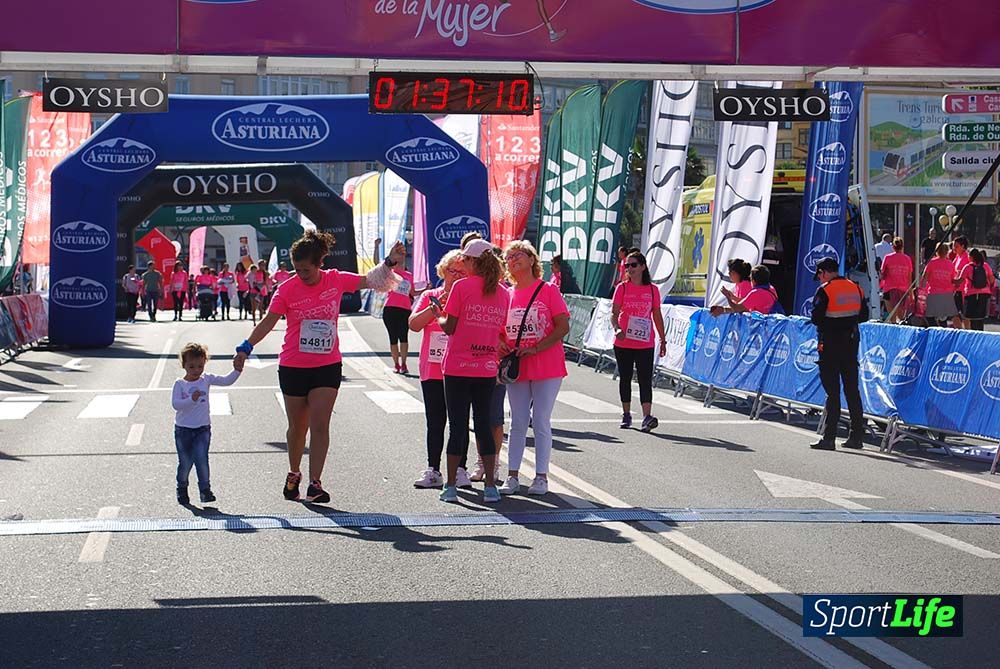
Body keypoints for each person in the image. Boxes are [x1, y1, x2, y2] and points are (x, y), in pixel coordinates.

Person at [233, 230, 404, 504]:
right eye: (298, 270)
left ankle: (315, 483)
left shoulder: (334, 279)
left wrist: (390, 262)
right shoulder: (287, 288)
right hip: (293, 365)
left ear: (319, 263)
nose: (302, 275)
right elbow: (268, 321)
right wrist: (246, 346)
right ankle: (293, 473)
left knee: (320, 423)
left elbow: (370, 280)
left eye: (307, 270)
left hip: (326, 364)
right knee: (297, 427)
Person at [437, 238, 509, 504]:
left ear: (473, 261)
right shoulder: (502, 292)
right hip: (487, 367)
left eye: (465, 259)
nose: (462, 263)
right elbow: (501, 329)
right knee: (483, 424)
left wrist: (438, 313)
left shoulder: (461, 287)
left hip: (457, 366)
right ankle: (490, 486)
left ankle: (451, 486)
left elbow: (449, 327)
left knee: (457, 425)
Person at [498, 241, 570, 496]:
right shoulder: (506, 295)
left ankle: (541, 477)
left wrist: (537, 348)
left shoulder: (548, 290)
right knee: (517, 421)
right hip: (517, 366)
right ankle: (512, 475)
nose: (512, 260)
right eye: (508, 258)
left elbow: (563, 327)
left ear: (531, 260)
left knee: (540, 420)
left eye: (517, 255)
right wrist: (502, 346)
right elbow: (498, 330)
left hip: (547, 364)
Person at [408, 250, 467, 489]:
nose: (456, 275)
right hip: (432, 368)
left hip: (460, 367)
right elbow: (413, 325)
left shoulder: (469, 297)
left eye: (462, 272)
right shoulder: (431, 295)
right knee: (435, 420)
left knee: (459, 421)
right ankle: (433, 469)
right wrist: (434, 309)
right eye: (452, 270)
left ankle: (461, 468)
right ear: (443, 271)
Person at [171, 342, 241, 504]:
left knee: (202, 459)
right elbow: (176, 405)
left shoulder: (206, 379)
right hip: (183, 430)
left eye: (200, 366)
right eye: (192, 367)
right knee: (186, 462)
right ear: (184, 365)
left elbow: (226, 380)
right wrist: (191, 399)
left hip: (202, 429)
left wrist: (237, 370)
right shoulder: (180, 384)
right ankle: (182, 488)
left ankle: (205, 490)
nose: (196, 370)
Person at [809, 257, 868, 451]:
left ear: (823, 272)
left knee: (832, 393)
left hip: (830, 344)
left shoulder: (825, 290)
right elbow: (864, 315)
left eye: (819, 275)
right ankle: (857, 437)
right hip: (850, 343)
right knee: (852, 391)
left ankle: (829, 438)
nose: (819, 279)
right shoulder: (856, 287)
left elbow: (816, 318)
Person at [612, 250, 667, 432]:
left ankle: (646, 416)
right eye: (627, 265)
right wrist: (617, 328)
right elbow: (613, 314)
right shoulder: (622, 288)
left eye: (633, 265)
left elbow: (657, 315)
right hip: (624, 341)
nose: (629, 268)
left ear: (643, 267)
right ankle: (626, 414)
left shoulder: (652, 290)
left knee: (645, 379)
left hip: (645, 343)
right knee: (625, 378)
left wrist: (663, 339)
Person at [376, 238, 416, 374]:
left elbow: (413, 292)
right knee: (393, 338)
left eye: (404, 258)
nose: (401, 260)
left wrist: (425, 289)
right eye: (399, 258)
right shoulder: (390, 273)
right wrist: (376, 246)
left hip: (405, 310)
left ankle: (404, 364)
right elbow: (377, 265)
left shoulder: (409, 276)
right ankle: (396, 364)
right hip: (390, 309)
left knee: (403, 337)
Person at [921, 242, 962, 329]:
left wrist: (922, 290)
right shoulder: (950, 264)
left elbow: (924, 277)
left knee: (929, 316)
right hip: (946, 294)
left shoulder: (932, 263)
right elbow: (952, 279)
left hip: (934, 293)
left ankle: (936, 330)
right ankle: (942, 333)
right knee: (943, 318)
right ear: (947, 252)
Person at [712, 264, 780, 315]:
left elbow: (736, 308)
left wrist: (727, 297)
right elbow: (745, 307)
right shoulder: (771, 289)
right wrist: (723, 309)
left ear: (753, 280)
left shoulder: (755, 293)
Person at [955, 248, 995, 332]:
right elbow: (992, 280)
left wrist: (951, 280)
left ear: (971, 257)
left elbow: (959, 281)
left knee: (972, 318)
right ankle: (981, 337)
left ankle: (974, 338)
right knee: (980, 319)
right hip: (984, 294)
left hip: (971, 295)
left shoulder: (967, 267)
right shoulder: (985, 266)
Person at [879, 237, 913, 324]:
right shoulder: (907, 259)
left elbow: (882, 275)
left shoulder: (887, 258)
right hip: (903, 291)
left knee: (892, 317)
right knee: (901, 318)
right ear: (902, 247)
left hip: (889, 290)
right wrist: (911, 293)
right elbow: (909, 278)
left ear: (893, 247)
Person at [952, 236, 972, 329]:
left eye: (956, 246)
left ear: (963, 246)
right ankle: (960, 332)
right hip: (956, 289)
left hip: (964, 291)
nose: (954, 248)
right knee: (953, 313)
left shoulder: (967, 257)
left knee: (964, 315)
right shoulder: (957, 257)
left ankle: (967, 332)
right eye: (953, 246)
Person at [248, 260, 270, 325]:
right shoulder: (255, 272)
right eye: (262, 265)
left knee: (261, 307)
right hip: (254, 291)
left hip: (261, 291)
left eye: (264, 265)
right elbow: (251, 280)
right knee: (254, 307)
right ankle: (254, 321)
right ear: (259, 265)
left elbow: (266, 282)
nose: (263, 266)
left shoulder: (265, 273)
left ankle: (260, 322)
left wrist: (267, 288)